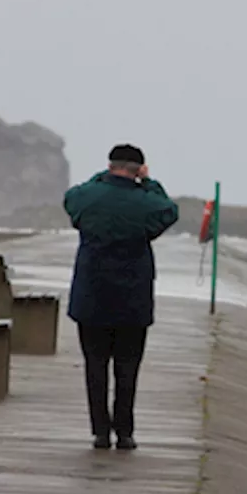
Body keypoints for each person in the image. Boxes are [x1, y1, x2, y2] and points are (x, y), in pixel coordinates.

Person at [63, 144, 179, 450]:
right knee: (128, 366)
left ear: (110, 165)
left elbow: (74, 196)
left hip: (91, 293)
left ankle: (100, 431)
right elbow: (168, 210)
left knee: (95, 364)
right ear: (138, 169)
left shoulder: (87, 197)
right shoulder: (145, 202)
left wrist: (103, 176)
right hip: (132, 295)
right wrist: (150, 182)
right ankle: (125, 432)